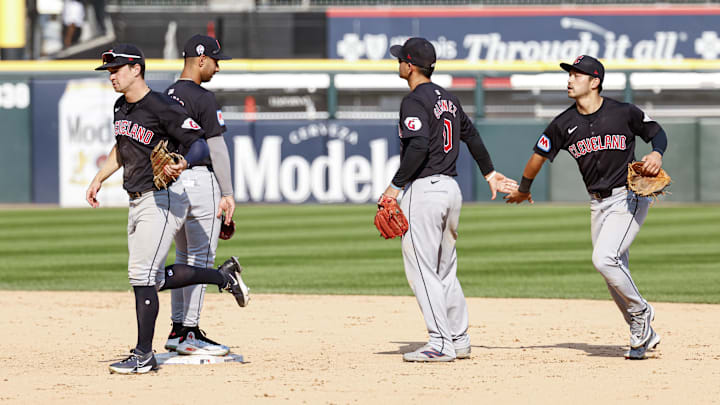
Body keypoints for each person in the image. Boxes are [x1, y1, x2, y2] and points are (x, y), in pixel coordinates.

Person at [87, 44, 249, 374]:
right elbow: (121, 148)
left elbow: (200, 142)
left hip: (162, 200)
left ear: (136, 70)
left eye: (116, 70)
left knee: (142, 276)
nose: (112, 76)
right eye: (109, 72)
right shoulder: (121, 107)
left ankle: (143, 354)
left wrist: (184, 163)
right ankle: (223, 275)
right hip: (136, 199)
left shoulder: (162, 107)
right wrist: (99, 178)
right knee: (154, 277)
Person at [504, 55, 666, 359]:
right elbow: (537, 157)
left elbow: (656, 132)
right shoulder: (563, 123)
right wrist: (524, 190)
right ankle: (643, 333)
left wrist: (656, 153)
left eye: (577, 75)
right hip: (598, 204)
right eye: (569, 75)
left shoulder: (623, 112)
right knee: (613, 272)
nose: (570, 80)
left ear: (595, 82)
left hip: (628, 197)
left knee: (604, 259)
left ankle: (642, 312)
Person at [383, 37, 517, 362]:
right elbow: (470, 135)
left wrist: (394, 188)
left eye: (401, 59)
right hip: (451, 190)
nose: (398, 63)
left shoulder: (414, 100)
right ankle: (458, 338)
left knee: (421, 268)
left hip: (425, 190)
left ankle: (440, 342)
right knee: (444, 270)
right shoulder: (450, 99)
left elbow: (417, 146)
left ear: (410, 65)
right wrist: (489, 173)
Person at [162, 34, 239, 356]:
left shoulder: (164, 95)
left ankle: (178, 329)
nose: (219, 67)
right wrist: (228, 193)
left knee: (183, 258)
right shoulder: (203, 97)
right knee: (202, 259)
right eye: (216, 61)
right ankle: (189, 331)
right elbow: (216, 147)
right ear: (201, 60)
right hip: (198, 180)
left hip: (171, 180)